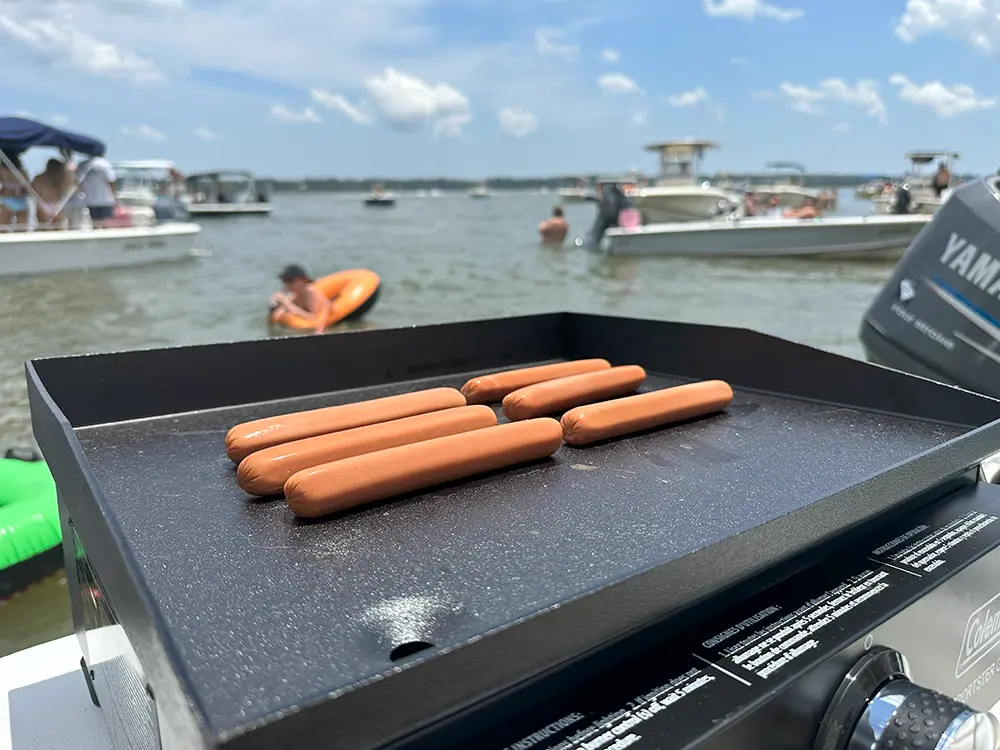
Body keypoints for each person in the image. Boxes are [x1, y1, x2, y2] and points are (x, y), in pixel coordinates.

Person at [270, 264, 331, 335]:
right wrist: (274, 307)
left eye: (290, 281)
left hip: (327, 321)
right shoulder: (294, 295)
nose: (287, 285)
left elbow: (313, 317)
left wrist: (287, 304)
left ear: (302, 280)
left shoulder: (311, 292)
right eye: (285, 281)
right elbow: (276, 316)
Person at [76, 150, 118, 226]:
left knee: (94, 224)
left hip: (89, 200)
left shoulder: (82, 165)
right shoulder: (105, 164)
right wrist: (114, 197)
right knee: (105, 223)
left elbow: (77, 183)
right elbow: (111, 181)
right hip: (105, 200)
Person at [31, 158, 75, 229]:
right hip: (59, 205)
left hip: (43, 205)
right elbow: (72, 187)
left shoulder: (39, 178)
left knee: (43, 228)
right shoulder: (64, 178)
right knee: (59, 229)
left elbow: (33, 192)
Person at [0, 152, 29, 230]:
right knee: (22, 230)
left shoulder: (2, 171)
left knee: (2, 228)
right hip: (22, 201)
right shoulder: (23, 172)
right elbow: (27, 188)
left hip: (7, 200)